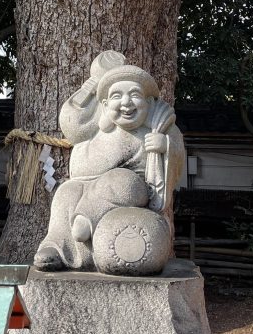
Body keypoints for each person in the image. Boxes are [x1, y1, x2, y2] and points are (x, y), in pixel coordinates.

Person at [33, 52, 185, 272]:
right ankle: (56, 247)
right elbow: (71, 122)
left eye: (134, 94)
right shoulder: (98, 128)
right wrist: (90, 86)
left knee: (122, 181)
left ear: (148, 102)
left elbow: (178, 157)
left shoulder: (159, 127)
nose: (126, 103)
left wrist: (165, 146)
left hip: (131, 192)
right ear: (104, 104)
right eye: (116, 96)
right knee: (66, 192)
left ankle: (86, 218)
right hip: (85, 186)